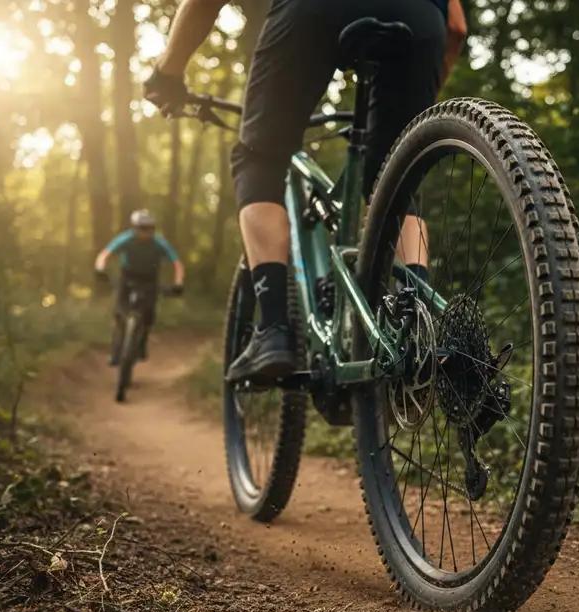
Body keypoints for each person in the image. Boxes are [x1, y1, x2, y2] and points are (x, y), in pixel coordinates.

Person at [144, 0, 467, 381]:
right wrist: (415, 102)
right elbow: (457, 27)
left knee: (259, 158)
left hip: (313, 12)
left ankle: (274, 332)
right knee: (393, 177)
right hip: (421, 20)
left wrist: (168, 72)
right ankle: (417, 319)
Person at [94, 209, 186, 365]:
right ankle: (116, 352)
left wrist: (178, 283)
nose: (145, 232)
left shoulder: (159, 243)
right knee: (120, 312)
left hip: (149, 278)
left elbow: (177, 263)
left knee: (149, 313)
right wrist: (100, 269)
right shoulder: (126, 239)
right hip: (128, 275)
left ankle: (141, 344)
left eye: (149, 229)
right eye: (142, 228)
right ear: (134, 228)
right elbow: (105, 254)